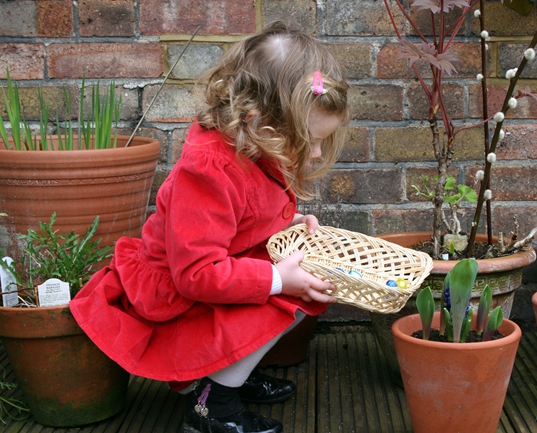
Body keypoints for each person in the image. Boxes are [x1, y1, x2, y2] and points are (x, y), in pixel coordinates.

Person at [70, 21, 349, 433]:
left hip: (213, 275)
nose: (317, 153)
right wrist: (277, 278)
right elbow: (197, 273)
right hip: (181, 294)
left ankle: (228, 374)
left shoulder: (252, 145)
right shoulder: (207, 171)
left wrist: (286, 222)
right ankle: (211, 402)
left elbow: (241, 219)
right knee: (288, 299)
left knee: (296, 283)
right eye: (309, 142)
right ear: (259, 119)